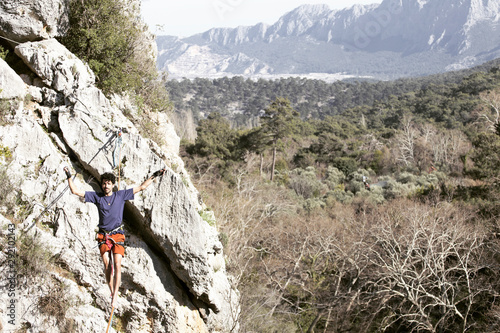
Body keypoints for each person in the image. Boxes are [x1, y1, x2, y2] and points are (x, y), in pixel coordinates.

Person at [63, 166, 165, 308]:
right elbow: (75, 191)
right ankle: (112, 292)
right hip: (103, 235)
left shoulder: (120, 195)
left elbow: (142, 187)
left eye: (108, 183)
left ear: (112, 185)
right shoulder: (96, 197)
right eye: (104, 183)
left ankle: (115, 295)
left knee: (117, 265)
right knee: (107, 265)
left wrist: (155, 174)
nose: (106, 186)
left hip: (117, 234)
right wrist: (68, 175)